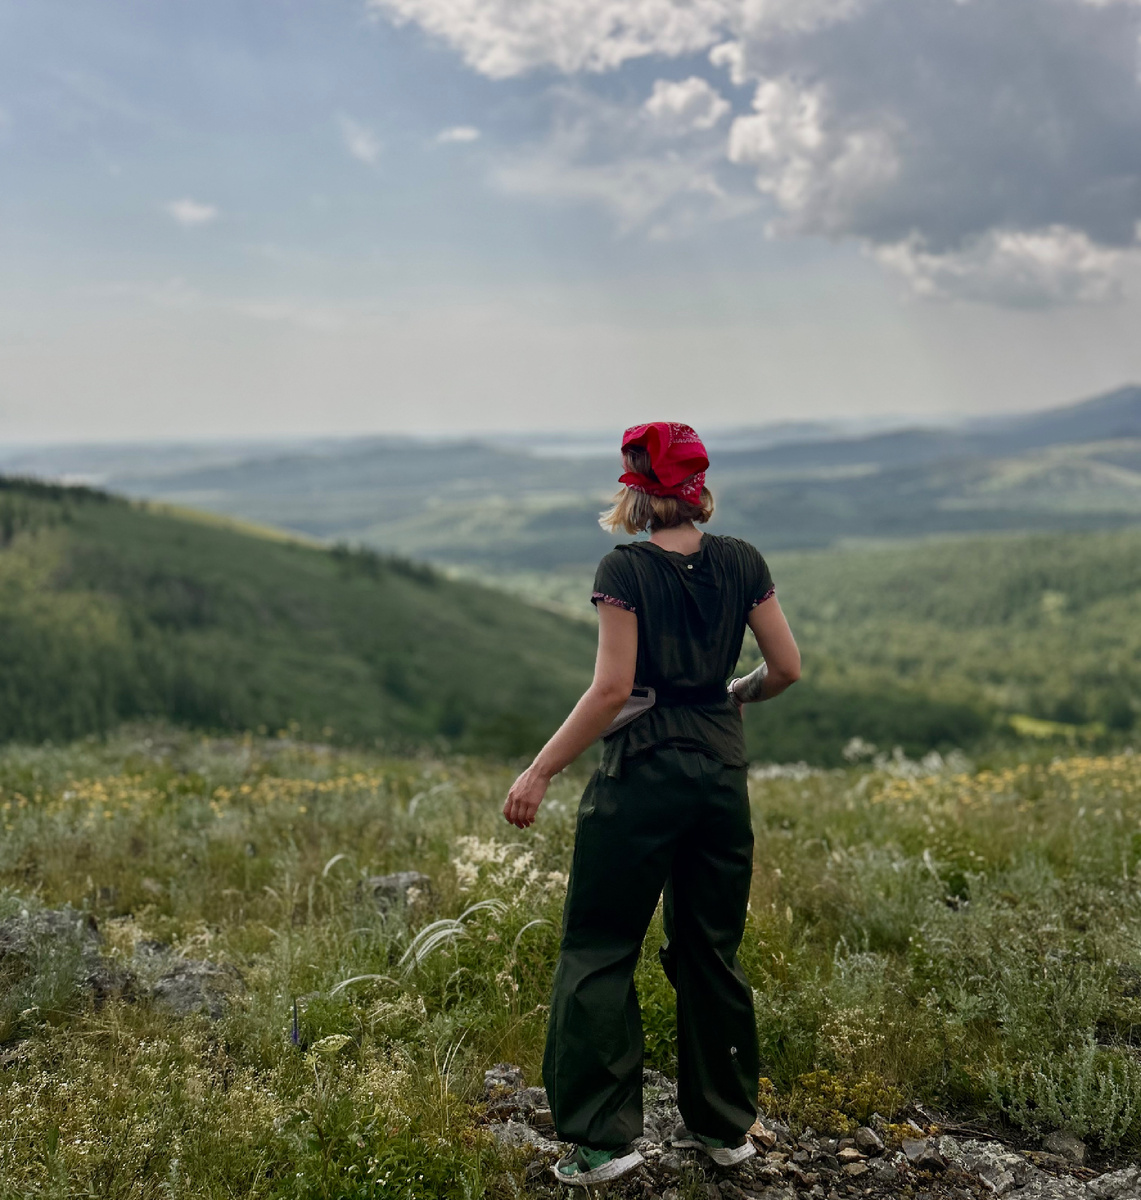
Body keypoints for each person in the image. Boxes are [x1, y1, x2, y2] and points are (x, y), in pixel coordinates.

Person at [502, 421, 801, 1187]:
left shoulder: (624, 569)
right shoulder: (742, 561)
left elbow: (611, 690)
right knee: (709, 950)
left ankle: (603, 1143)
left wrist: (539, 772)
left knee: (600, 946)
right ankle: (726, 1128)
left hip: (639, 773)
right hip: (718, 772)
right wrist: (734, 691)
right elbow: (786, 669)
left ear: (633, 488)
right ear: (698, 488)